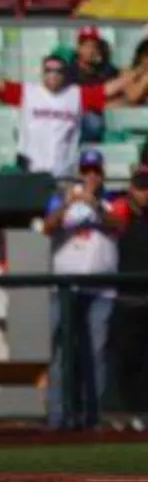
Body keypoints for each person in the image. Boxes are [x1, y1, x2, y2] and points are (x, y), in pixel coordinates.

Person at [0, 42, 140, 177]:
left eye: (58, 70)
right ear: (42, 72)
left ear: (65, 74)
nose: (53, 74)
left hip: (64, 174)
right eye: (49, 70)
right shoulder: (28, 93)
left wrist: (141, 70)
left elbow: (109, 89)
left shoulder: (75, 94)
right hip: (33, 173)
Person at [41, 149, 122, 431]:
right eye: (86, 171)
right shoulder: (63, 198)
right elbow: (47, 227)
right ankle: (58, 417)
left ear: (102, 173)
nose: (90, 176)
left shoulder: (111, 199)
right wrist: (67, 204)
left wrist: (95, 205)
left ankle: (92, 418)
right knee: (62, 352)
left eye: (95, 171)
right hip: (65, 288)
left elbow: (119, 223)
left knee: (95, 353)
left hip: (101, 289)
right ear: (79, 172)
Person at [109, 167, 148, 429]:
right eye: (140, 187)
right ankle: (123, 412)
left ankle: (143, 413)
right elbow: (110, 220)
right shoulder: (120, 213)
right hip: (125, 298)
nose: (145, 193)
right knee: (125, 359)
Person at [69, 27, 120, 144]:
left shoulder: (105, 69)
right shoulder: (69, 72)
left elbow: (121, 76)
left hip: (99, 119)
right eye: (86, 46)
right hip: (77, 119)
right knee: (93, 122)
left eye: (94, 46)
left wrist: (104, 61)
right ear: (79, 48)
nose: (91, 50)